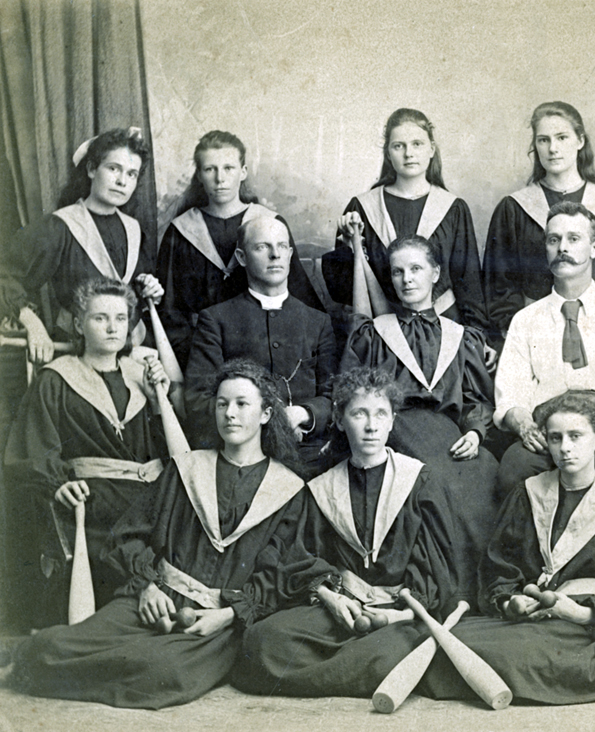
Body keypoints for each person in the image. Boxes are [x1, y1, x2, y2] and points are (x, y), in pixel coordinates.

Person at [11, 359, 307, 709]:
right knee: (45, 649)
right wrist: (147, 587)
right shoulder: (187, 470)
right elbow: (126, 537)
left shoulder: (287, 490)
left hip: (216, 621)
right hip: (154, 600)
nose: (230, 413)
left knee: (165, 673)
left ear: (266, 414)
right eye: (222, 403)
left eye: (243, 404)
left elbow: (281, 574)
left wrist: (229, 614)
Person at [411, 391, 595, 705]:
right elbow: (500, 566)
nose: (565, 447)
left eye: (576, 436)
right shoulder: (529, 493)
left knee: (501, 653)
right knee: (450, 640)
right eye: (555, 438)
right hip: (534, 616)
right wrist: (510, 601)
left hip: (585, 622)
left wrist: (581, 613)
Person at [232, 367, 456, 697]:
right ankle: (366, 668)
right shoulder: (323, 487)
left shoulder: (418, 481)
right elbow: (300, 555)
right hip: (340, 610)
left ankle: (355, 666)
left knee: (405, 645)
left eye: (381, 413)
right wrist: (330, 598)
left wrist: (399, 614)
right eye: (359, 413)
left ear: (393, 420)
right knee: (262, 642)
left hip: (398, 616)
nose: (371, 425)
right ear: (339, 419)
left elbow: (435, 565)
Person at [3, 278, 170, 629]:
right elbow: (35, 448)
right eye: (100, 318)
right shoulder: (56, 379)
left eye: (121, 318)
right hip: (96, 501)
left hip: (152, 496)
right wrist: (57, 485)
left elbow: (168, 449)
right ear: (79, 324)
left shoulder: (142, 377)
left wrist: (159, 402)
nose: (112, 327)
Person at [340, 235, 499, 599]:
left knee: (485, 469)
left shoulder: (461, 338)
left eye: (416, 269)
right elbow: (351, 391)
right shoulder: (374, 335)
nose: (407, 279)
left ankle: (482, 592)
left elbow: (476, 398)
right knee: (434, 475)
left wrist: (475, 432)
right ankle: (447, 592)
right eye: (397, 272)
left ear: (435, 274)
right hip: (391, 429)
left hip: (449, 430)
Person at [493, 202, 595, 499]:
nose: (562, 247)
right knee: (513, 472)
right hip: (544, 428)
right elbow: (510, 396)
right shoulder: (526, 319)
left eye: (573, 239)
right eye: (554, 240)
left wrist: (593, 435)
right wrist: (526, 426)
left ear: (594, 248)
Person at [156, 131, 324, 369]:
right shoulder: (182, 230)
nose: (220, 179)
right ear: (199, 176)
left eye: (228, 168)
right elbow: (170, 311)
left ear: (243, 172)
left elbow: (299, 295)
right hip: (200, 352)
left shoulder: (268, 222)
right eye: (209, 169)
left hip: (264, 349)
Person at [185, 217, 337, 479]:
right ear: (242, 257)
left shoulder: (318, 322)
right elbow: (199, 399)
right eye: (262, 247)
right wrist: (267, 423)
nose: (275, 254)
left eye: (281, 246)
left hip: (311, 459)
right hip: (241, 460)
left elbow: (333, 395)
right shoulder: (216, 320)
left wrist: (301, 413)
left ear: (290, 254)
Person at [0, 128, 163, 363]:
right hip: (77, 351)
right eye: (113, 168)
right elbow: (6, 274)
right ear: (91, 169)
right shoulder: (60, 226)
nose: (121, 181)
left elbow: (131, 290)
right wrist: (32, 323)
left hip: (133, 351)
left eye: (131, 174)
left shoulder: (135, 229)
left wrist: (147, 286)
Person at [482, 101, 595, 347]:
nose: (553, 148)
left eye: (562, 137)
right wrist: (519, 332)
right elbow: (500, 286)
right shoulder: (513, 208)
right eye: (543, 140)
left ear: (580, 141)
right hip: (534, 334)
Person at [322, 109, 486, 333]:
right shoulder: (362, 208)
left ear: (431, 150)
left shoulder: (453, 208)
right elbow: (342, 292)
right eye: (399, 146)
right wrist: (348, 246)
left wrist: (478, 336)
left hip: (445, 327)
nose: (409, 153)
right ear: (388, 154)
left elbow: (469, 283)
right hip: (382, 330)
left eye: (417, 144)